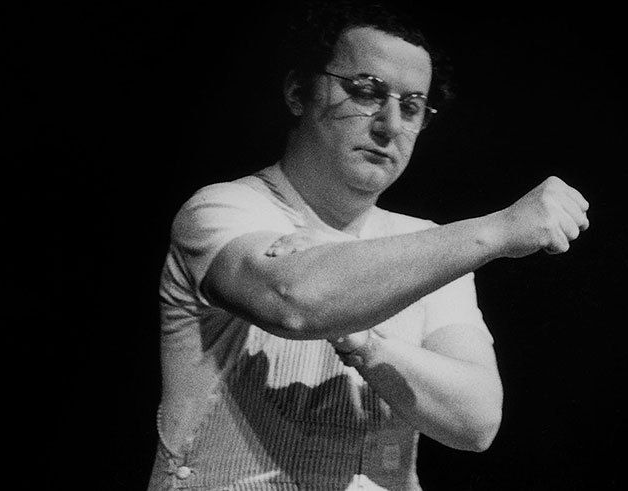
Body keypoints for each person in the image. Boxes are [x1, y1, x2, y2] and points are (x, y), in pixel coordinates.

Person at [148, 2, 590, 489]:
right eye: (365, 91)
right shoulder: (223, 208)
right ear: (298, 92)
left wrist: (363, 341)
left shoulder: (427, 243)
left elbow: (476, 421)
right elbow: (293, 301)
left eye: (412, 106)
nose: (390, 125)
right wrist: (499, 230)